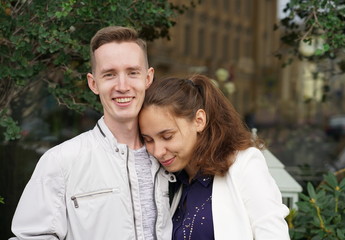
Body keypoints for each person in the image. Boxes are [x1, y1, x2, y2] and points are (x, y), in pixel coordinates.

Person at [10, 26, 175, 240]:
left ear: (148, 77)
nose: (122, 86)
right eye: (110, 75)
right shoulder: (61, 162)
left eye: (132, 72)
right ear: (93, 83)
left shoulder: (171, 158)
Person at [139, 75, 291, 239]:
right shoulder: (169, 180)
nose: (157, 151)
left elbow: (273, 233)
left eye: (167, 136)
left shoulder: (244, 164)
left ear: (199, 120)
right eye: (148, 140)